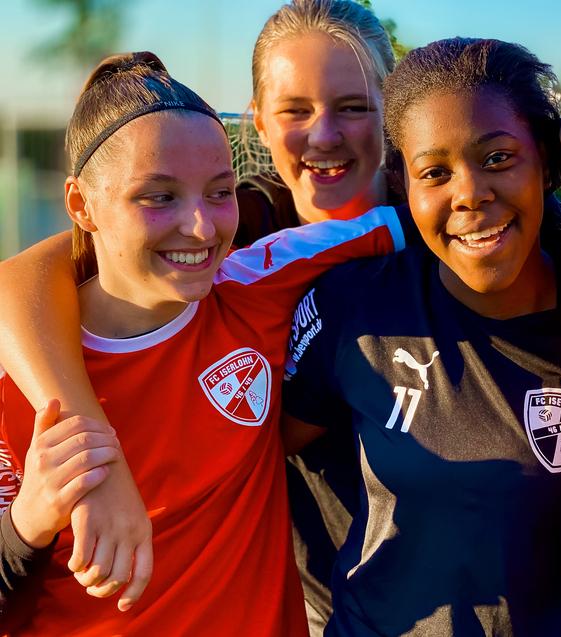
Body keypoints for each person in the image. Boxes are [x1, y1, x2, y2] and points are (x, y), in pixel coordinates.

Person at [0, 1, 561, 628]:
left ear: (394, 123)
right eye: (295, 109)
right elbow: (28, 276)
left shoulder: (436, 226)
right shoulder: (240, 245)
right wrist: (81, 455)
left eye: (354, 106)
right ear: (259, 121)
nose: (324, 134)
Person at [279, 36, 561, 635]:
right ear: (404, 183)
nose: (469, 193)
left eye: (498, 158)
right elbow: (255, 452)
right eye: (435, 172)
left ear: (547, 163)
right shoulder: (353, 304)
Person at [0, 51, 406, 635]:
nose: (200, 226)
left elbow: (450, 213)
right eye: (158, 197)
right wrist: (28, 521)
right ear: (81, 206)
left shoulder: (255, 286)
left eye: (219, 192)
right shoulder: (21, 375)